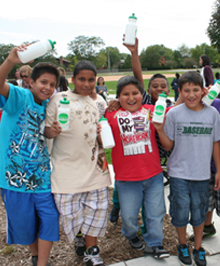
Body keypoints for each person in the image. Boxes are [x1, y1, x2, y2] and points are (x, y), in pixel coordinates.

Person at [44, 60, 111, 266]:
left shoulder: (97, 101)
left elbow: (99, 136)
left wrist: (102, 136)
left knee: (95, 212)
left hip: (93, 169)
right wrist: (52, 131)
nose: (87, 84)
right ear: (73, 79)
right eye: (82, 79)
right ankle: (80, 236)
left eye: (91, 80)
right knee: (72, 215)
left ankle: (93, 252)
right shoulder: (58, 99)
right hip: (66, 171)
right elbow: (46, 130)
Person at [0, 43, 60, 266]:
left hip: (41, 177)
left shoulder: (47, 105)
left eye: (52, 84)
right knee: (25, 226)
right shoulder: (18, 97)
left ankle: (42, 263)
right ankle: (35, 256)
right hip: (13, 179)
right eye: (43, 82)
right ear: (31, 82)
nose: (48, 87)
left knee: (50, 218)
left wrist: (49, 132)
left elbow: (39, 130)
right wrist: (9, 61)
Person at [153, 71, 220, 266]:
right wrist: (158, 129)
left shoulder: (212, 113)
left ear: (203, 91)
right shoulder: (174, 113)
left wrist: (219, 171)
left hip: (202, 174)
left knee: (199, 213)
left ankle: (198, 248)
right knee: (180, 211)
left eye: (196, 90)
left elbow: (216, 143)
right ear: (180, 91)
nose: (191, 95)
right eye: (186, 90)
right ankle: (183, 244)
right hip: (178, 174)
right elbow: (168, 146)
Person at [103, 74, 169, 259]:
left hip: (154, 175)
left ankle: (155, 243)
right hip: (126, 178)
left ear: (143, 94)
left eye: (135, 93)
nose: (131, 98)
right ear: (118, 97)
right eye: (125, 94)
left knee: (156, 213)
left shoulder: (152, 110)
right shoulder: (111, 114)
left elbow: (178, 109)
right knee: (130, 217)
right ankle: (130, 234)